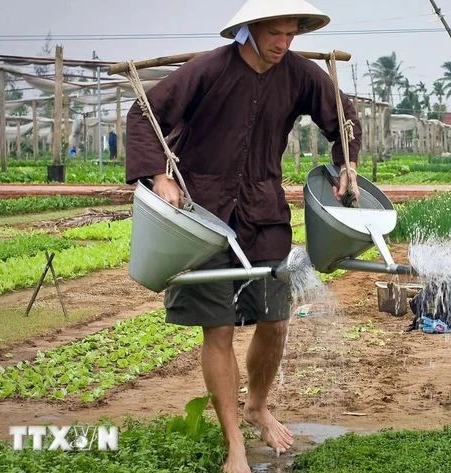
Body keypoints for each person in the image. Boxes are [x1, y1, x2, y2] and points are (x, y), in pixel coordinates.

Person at [125, 1, 361, 472]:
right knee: (219, 328)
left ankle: (257, 405)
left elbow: (344, 118)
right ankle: (235, 442)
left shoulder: (300, 74)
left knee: (275, 321)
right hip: (202, 214)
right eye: (274, 33)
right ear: (250, 30)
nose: (283, 44)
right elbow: (142, 114)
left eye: (291, 34)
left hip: (262, 212)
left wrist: (347, 164)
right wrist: (157, 175)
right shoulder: (208, 69)